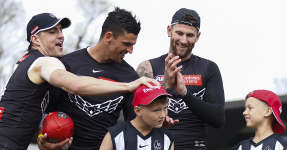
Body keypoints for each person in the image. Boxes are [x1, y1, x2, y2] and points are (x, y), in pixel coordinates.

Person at [0, 13, 158, 150]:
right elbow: (75, 85)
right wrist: (128, 86)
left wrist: (157, 113)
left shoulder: (30, 62)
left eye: (61, 30)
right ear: (35, 39)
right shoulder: (44, 62)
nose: (61, 35)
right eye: (52, 31)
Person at [38, 7, 173, 150]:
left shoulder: (130, 77)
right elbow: (43, 111)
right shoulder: (67, 64)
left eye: (133, 45)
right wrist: (42, 138)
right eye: (127, 44)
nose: (130, 51)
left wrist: (154, 121)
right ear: (108, 36)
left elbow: (134, 123)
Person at [136, 8, 225, 149]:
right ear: (169, 30)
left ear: (198, 36)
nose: (184, 40)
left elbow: (218, 119)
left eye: (190, 35)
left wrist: (185, 93)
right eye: (179, 33)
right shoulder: (148, 67)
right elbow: (134, 114)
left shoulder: (209, 68)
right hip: (155, 145)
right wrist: (165, 86)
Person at [99, 83, 174, 150]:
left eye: (165, 108)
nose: (163, 115)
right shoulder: (116, 135)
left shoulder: (167, 137)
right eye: (156, 110)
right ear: (138, 110)